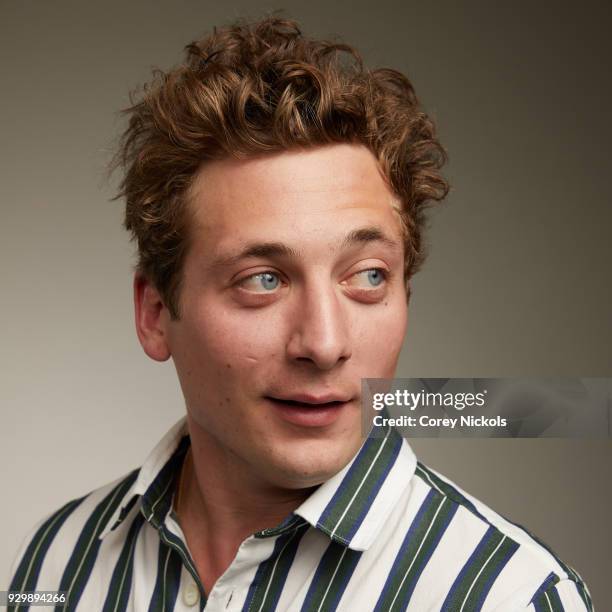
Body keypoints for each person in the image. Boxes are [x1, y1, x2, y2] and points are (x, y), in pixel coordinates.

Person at [7, 16, 593, 612]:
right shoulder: (54, 560)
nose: (325, 343)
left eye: (367, 276)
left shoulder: (512, 597)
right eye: (263, 280)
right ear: (156, 313)